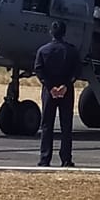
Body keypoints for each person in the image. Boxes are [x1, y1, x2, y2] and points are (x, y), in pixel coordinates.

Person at [34, 20, 82, 167]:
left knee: (47, 124)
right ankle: (66, 158)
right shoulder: (72, 51)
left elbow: (39, 69)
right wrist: (65, 86)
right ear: (64, 33)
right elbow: (77, 70)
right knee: (66, 125)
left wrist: (50, 87)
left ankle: (45, 158)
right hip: (66, 91)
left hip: (49, 92)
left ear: (51, 32)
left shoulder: (43, 51)